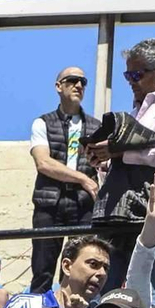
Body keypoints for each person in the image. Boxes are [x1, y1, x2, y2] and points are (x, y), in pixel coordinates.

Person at [91, 39, 155, 289]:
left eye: (137, 74)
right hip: (116, 213)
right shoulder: (137, 110)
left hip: (147, 213)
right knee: (106, 288)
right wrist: (104, 160)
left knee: (146, 290)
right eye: (128, 74)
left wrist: (121, 153)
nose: (131, 80)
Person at [25, 67, 102, 294]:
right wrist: (83, 179)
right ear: (59, 86)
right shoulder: (42, 123)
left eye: (83, 82)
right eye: (72, 80)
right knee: (42, 268)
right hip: (50, 203)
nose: (78, 85)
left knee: (80, 268)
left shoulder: (96, 127)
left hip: (83, 205)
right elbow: (43, 163)